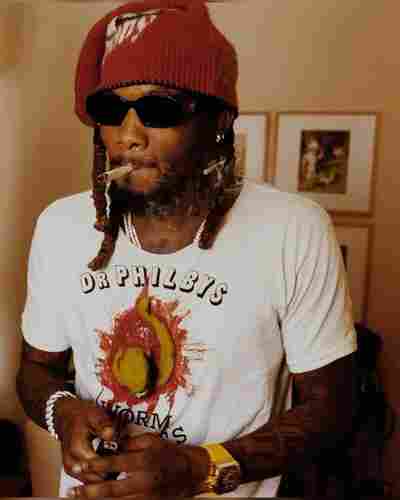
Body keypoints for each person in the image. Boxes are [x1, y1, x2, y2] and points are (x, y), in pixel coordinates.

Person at [16, 0, 357, 498]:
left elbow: (331, 409)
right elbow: (35, 369)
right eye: (110, 110)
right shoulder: (61, 227)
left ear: (218, 120)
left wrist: (200, 468)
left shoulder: (293, 229)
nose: (128, 136)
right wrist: (63, 412)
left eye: (160, 109)